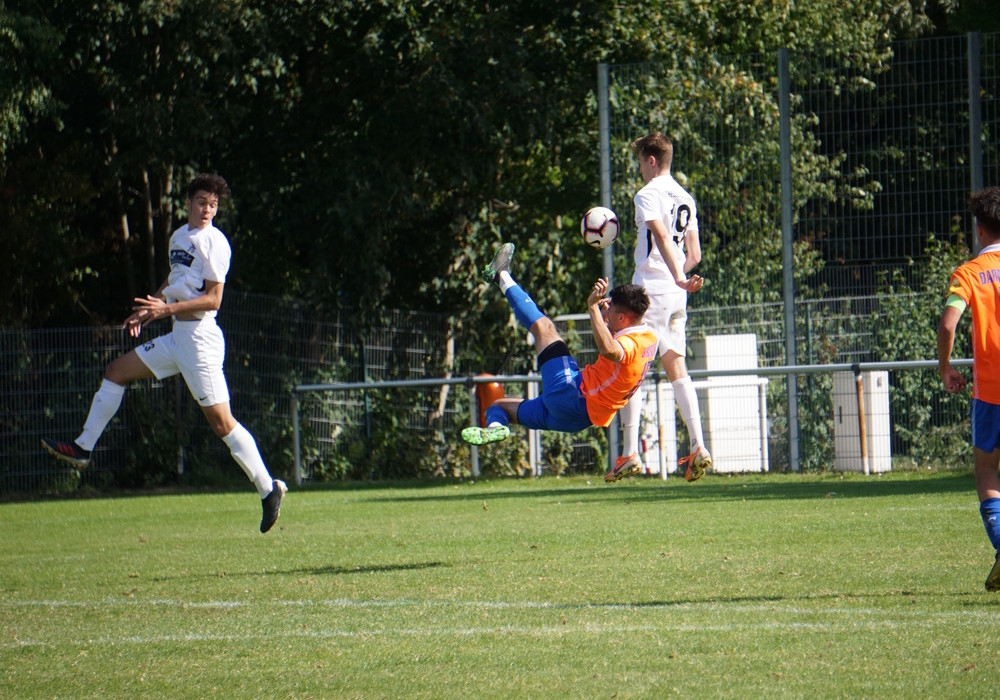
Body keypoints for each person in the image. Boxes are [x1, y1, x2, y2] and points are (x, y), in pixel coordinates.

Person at [42, 173, 287, 533]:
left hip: (199, 341)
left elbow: (213, 300)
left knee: (222, 423)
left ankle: (268, 490)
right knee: (115, 371)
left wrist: (164, 311)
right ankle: (83, 448)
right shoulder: (179, 237)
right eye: (202, 202)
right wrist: (149, 308)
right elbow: (174, 280)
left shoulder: (215, 242)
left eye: (213, 205)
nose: (207, 209)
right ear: (188, 203)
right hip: (177, 338)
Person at [461, 243, 658, 484]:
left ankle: (500, 274)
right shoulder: (649, 339)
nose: (606, 314)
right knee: (499, 406)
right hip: (576, 420)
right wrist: (605, 320)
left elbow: (610, 350)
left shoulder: (628, 344)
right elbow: (620, 354)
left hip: (572, 394)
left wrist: (593, 308)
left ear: (621, 317)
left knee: (543, 327)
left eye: (611, 312)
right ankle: (494, 428)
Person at [618, 131, 712, 482]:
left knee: (631, 367)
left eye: (640, 163)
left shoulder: (647, 194)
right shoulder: (686, 197)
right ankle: (698, 445)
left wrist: (674, 277)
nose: (640, 170)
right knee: (677, 368)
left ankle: (629, 452)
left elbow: (659, 235)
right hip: (676, 296)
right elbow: (695, 254)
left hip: (651, 291)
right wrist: (681, 281)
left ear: (652, 160)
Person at [938, 186, 1000, 591]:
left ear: (979, 230)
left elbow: (948, 323)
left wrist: (946, 367)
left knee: (986, 469)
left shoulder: (969, 273)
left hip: (991, 391)